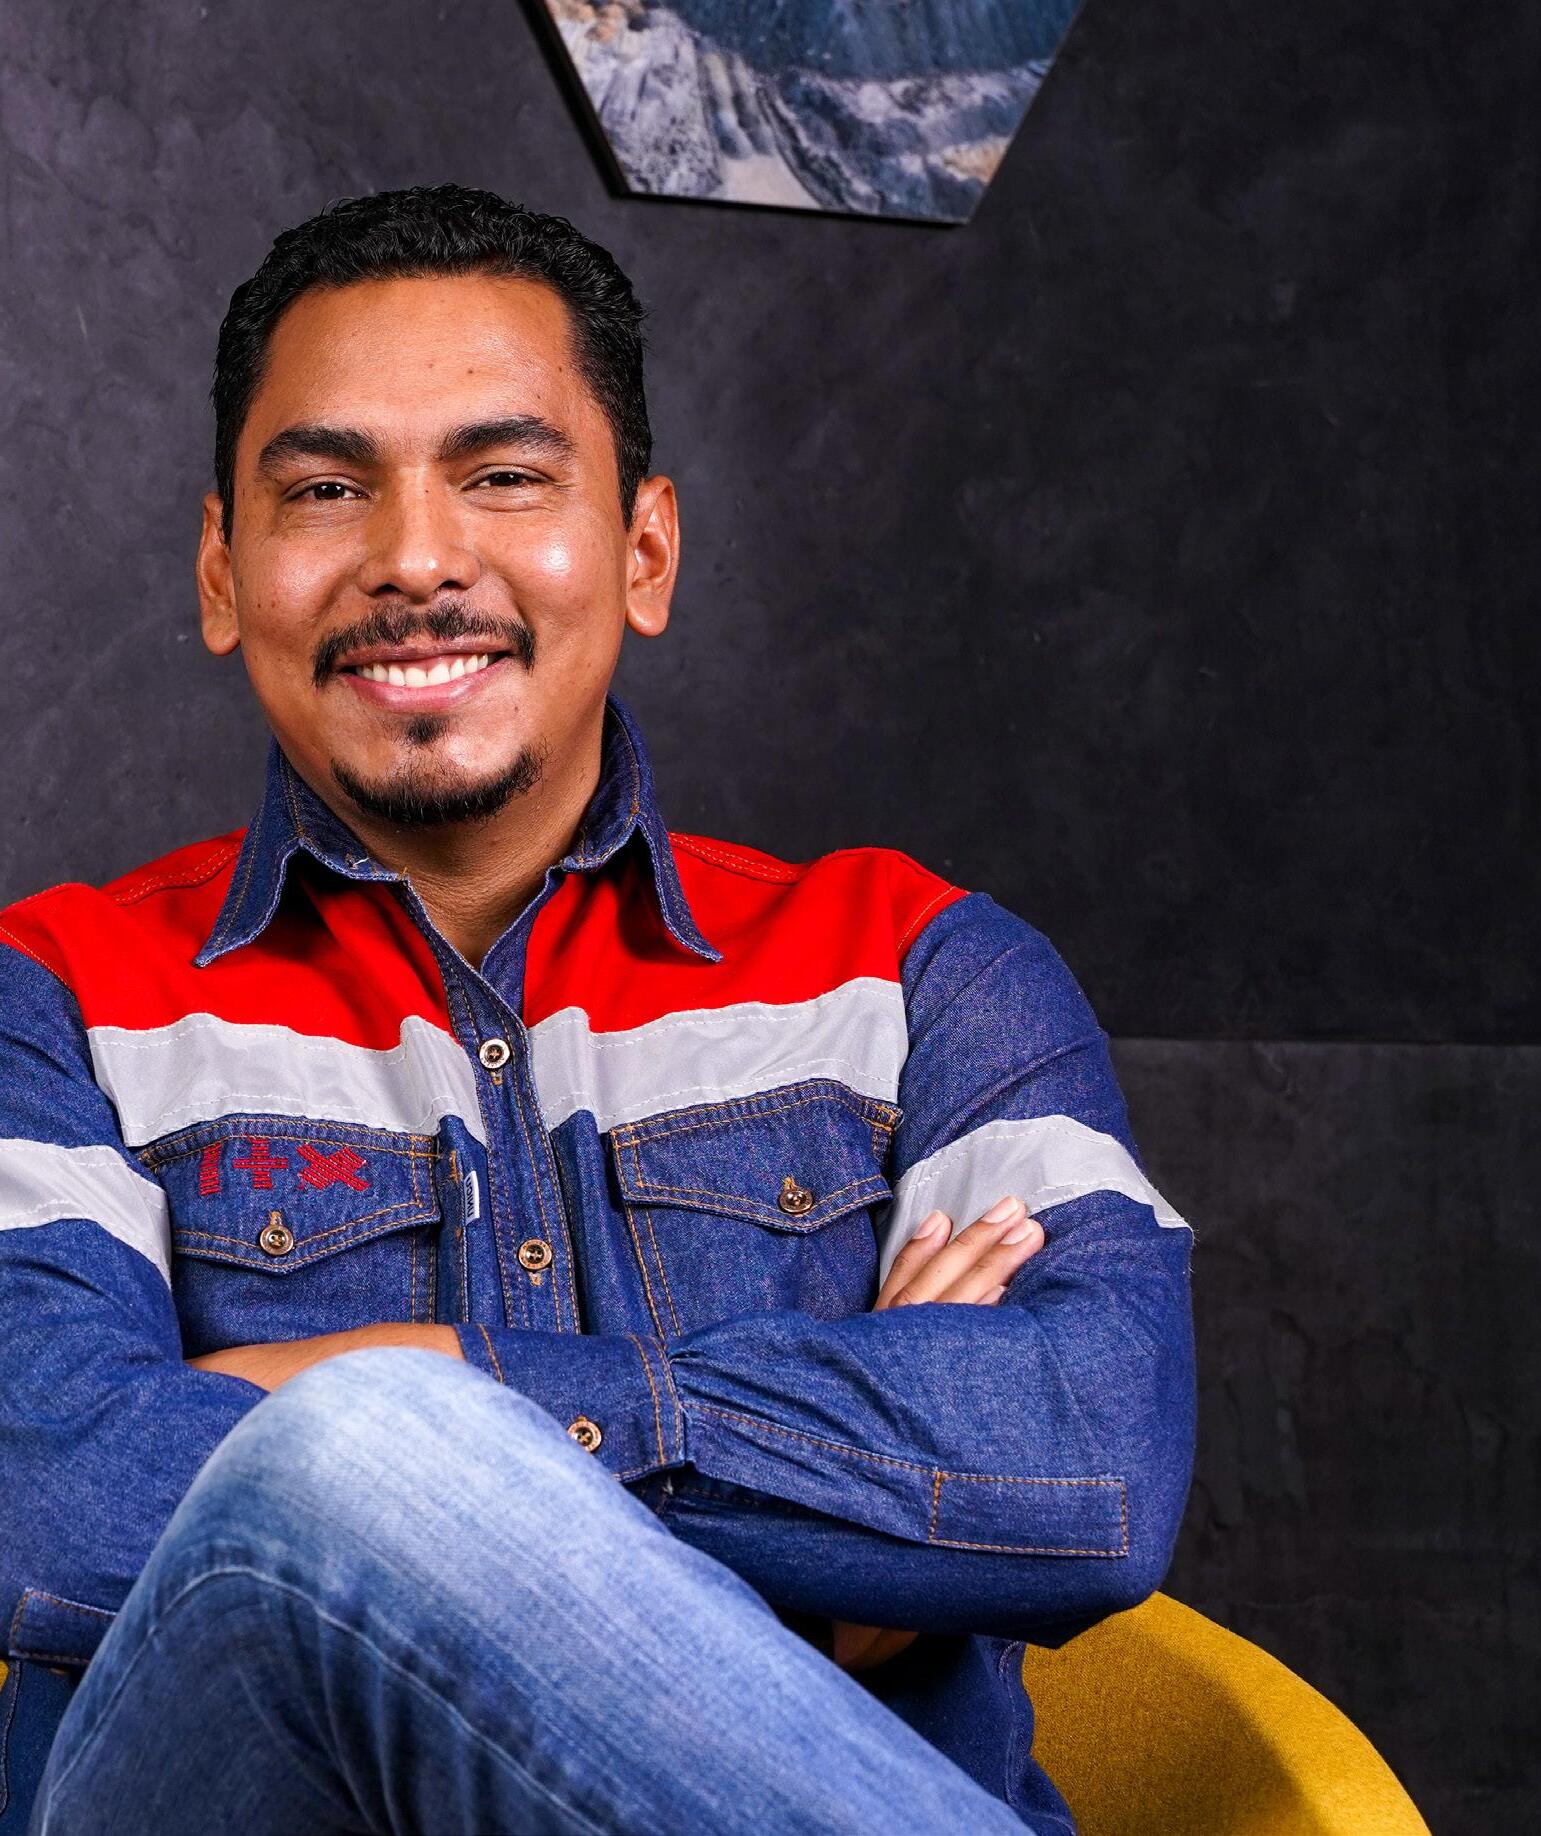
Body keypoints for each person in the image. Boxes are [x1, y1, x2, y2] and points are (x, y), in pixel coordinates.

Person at [0, 185, 1195, 1835]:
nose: (415, 559)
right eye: (327, 489)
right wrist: (838, 1536)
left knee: (356, 1442)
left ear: (643, 551)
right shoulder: (47, 1001)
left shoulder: (923, 971)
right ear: (222, 572)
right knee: (356, 1451)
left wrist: (413, 1394)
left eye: (502, 477)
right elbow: (50, 1498)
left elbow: (1093, 1468)